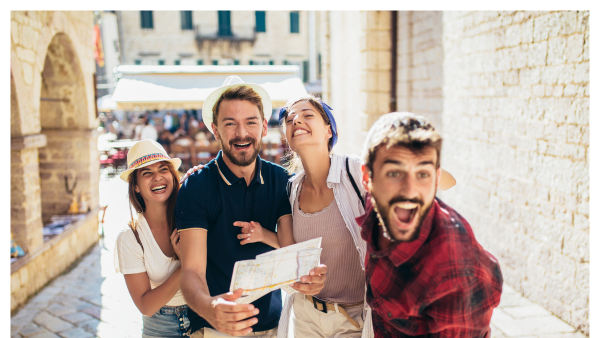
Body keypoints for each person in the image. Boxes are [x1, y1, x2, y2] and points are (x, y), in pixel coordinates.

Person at [175, 76, 328, 338]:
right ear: (215, 129)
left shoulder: (282, 181)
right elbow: (191, 271)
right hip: (215, 327)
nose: (242, 133)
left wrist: (310, 280)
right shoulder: (197, 186)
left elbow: (290, 250)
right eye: (230, 124)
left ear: (264, 127)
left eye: (251, 122)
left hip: (272, 325)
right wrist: (209, 307)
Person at [357, 112, 503, 337]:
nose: (409, 191)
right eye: (394, 173)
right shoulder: (375, 204)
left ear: (436, 179)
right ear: (368, 179)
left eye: (422, 174)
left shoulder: (454, 273)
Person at [113, 139, 190, 337]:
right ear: (136, 186)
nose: (157, 177)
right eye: (147, 173)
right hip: (160, 327)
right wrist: (185, 264)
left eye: (163, 169)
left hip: (203, 317)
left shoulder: (193, 216)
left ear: (172, 176)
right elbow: (146, 306)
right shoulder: (130, 238)